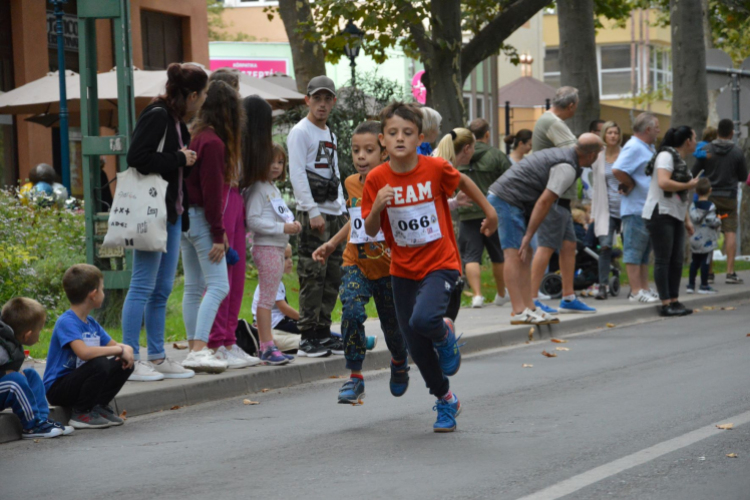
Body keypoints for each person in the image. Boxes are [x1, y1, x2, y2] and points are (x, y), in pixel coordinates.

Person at [362, 102, 498, 432]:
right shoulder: (377, 178)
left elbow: (464, 184)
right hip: (402, 270)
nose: (399, 139)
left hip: (441, 262)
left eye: (407, 133)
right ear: (382, 139)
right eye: (392, 133)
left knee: (424, 319)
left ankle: (444, 333)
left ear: (419, 137)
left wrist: (489, 212)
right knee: (416, 347)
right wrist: (377, 206)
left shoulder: (435, 168)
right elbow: (368, 230)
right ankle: (445, 400)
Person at [311, 121, 409, 404]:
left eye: (368, 150)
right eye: (356, 151)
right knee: (352, 311)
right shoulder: (352, 182)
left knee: (393, 326)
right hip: (356, 262)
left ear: (384, 152)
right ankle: (355, 377)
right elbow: (356, 221)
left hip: (390, 268)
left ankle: (400, 362)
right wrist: (332, 243)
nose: (361, 156)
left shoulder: (397, 184)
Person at [122, 62, 207, 382]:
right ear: (193, 95)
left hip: (170, 215)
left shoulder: (173, 119)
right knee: (142, 286)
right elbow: (137, 157)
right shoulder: (158, 115)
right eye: (202, 96)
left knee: (161, 289)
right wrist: (179, 158)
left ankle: (157, 356)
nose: (202, 103)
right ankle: (129, 359)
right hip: (151, 214)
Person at [487, 134, 603, 325]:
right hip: (507, 200)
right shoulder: (567, 167)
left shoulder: (566, 157)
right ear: (591, 155)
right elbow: (544, 202)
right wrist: (529, 235)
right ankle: (518, 312)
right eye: (599, 153)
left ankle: (530, 308)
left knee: (526, 252)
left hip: (511, 200)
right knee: (514, 254)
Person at [180, 80, 240, 374]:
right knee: (218, 285)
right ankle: (200, 349)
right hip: (202, 220)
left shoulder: (196, 136)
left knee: (194, 286)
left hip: (184, 220)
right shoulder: (215, 143)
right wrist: (219, 234)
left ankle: (194, 347)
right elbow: (212, 192)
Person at [288, 76, 347, 357]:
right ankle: (307, 335)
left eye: (327, 99)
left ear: (333, 102)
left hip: (334, 212)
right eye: (317, 98)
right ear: (307, 100)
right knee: (313, 274)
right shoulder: (301, 132)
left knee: (332, 274)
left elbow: (334, 172)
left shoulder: (329, 133)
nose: (322, 104)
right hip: (315, 212)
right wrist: (311, 210)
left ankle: (323, 331)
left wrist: (344, 209)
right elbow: (297, 173)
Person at [205, 74, 259, 370]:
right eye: (235, 93)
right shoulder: (213, 136)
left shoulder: (230, 133)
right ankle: (215, 340)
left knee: (237, 273)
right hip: (225, 195)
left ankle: (228, 339)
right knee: (222, 272)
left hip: (235, 194)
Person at [530, 86, 596, 315]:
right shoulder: (553, 123)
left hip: (560, 198)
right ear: (571, 106)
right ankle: (531, 299)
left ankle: (568, 297)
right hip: (552, 196)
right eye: (575, 106)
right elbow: (577, 150)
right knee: (546, 246)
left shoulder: (550, 121)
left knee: (569, 246)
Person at [44, 264, 135, 429]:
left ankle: (98, 406)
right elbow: (84, 353)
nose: (103, 293)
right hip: (58, 388)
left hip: (79, 382)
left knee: (124, 364)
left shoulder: (91, 323)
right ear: (93, 294)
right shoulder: (67, 322)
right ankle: (80, 412)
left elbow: (114, 345)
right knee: (99, 363)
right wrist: (120, 350)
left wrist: (126, 349)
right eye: (102, 289)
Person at [245, 126, 301, 366]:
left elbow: (278, 216)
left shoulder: (273, 188)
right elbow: (253, 220)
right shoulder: (258, 188)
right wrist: (282, 229)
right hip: (266, 247)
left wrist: (291, 225)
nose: (277, 166)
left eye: (280, 162)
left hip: (277, 248)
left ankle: (268, 345)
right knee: (266, 300)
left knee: (267, 298)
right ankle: (266, 346)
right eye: (271, 161)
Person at [452, 119, 511, 307]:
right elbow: (511, 179)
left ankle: (477, 295)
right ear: (487, 134)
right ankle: (501, 293)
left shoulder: (458, 155)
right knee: (497, 254)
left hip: (467, 212)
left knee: (471, 255)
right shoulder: (496, 155)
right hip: (492, 212)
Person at [642, 126, 700, 317]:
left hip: (675, 213)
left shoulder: (679, 160)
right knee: (663, 259)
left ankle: (674, 300)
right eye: (694, 138)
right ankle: (666, 303)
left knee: (676, 260)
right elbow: (663, 182)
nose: (696, 141)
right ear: (687, 141)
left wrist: (687, 220)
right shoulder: (666, 157)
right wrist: (688, 185)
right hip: (660, 212)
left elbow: (679, 196)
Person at [0, 298, 71, 439]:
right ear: (27, 334)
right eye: (39, 330)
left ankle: (41, 420)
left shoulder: (9, 341)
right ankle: (32, 427)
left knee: (30, 375)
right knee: (15, 382)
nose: (39, 336)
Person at [612, 112, 661, 304]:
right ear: (648, 129)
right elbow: (617, 169)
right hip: (635, 208)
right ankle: (635, 291)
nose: (659, 130)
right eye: (656, 127)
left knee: (643, 253)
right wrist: (630, 184)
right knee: (634, 250)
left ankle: (644, 288)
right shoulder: (633, 147)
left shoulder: (646, 147)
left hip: (645, 207)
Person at [692, 118, 748, 284]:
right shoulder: (738, 152)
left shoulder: (706, 149)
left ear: (717, 132)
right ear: (731, 133)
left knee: (709, 231)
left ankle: (709, 273)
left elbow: (695, 171)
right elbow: (744, 177)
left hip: (709, 196)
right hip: (729, 197)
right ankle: (730, 273)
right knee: (730, 232)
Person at [591, 121, 623, 300]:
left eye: (616, 133)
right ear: (604, 135)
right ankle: (602, 285)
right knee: (604, 246)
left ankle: (637, 287)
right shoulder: (598, 157)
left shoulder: (625, 154)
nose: (613, 136)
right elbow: (596, 186)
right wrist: (593, 213)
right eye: (609, 133)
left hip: (626, 207)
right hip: (606, 208)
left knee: (632, 247)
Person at [688, 178, 721, 294]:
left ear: (696, 191)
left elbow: (693, 218)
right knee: (705, 262)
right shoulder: (711, 206)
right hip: (707, 239)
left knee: (694, 262)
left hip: (694, 238)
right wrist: (719, 220)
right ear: (710, 191)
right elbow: (711, 221)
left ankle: (691, 285)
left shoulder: (693, 205)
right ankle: (704, 285)